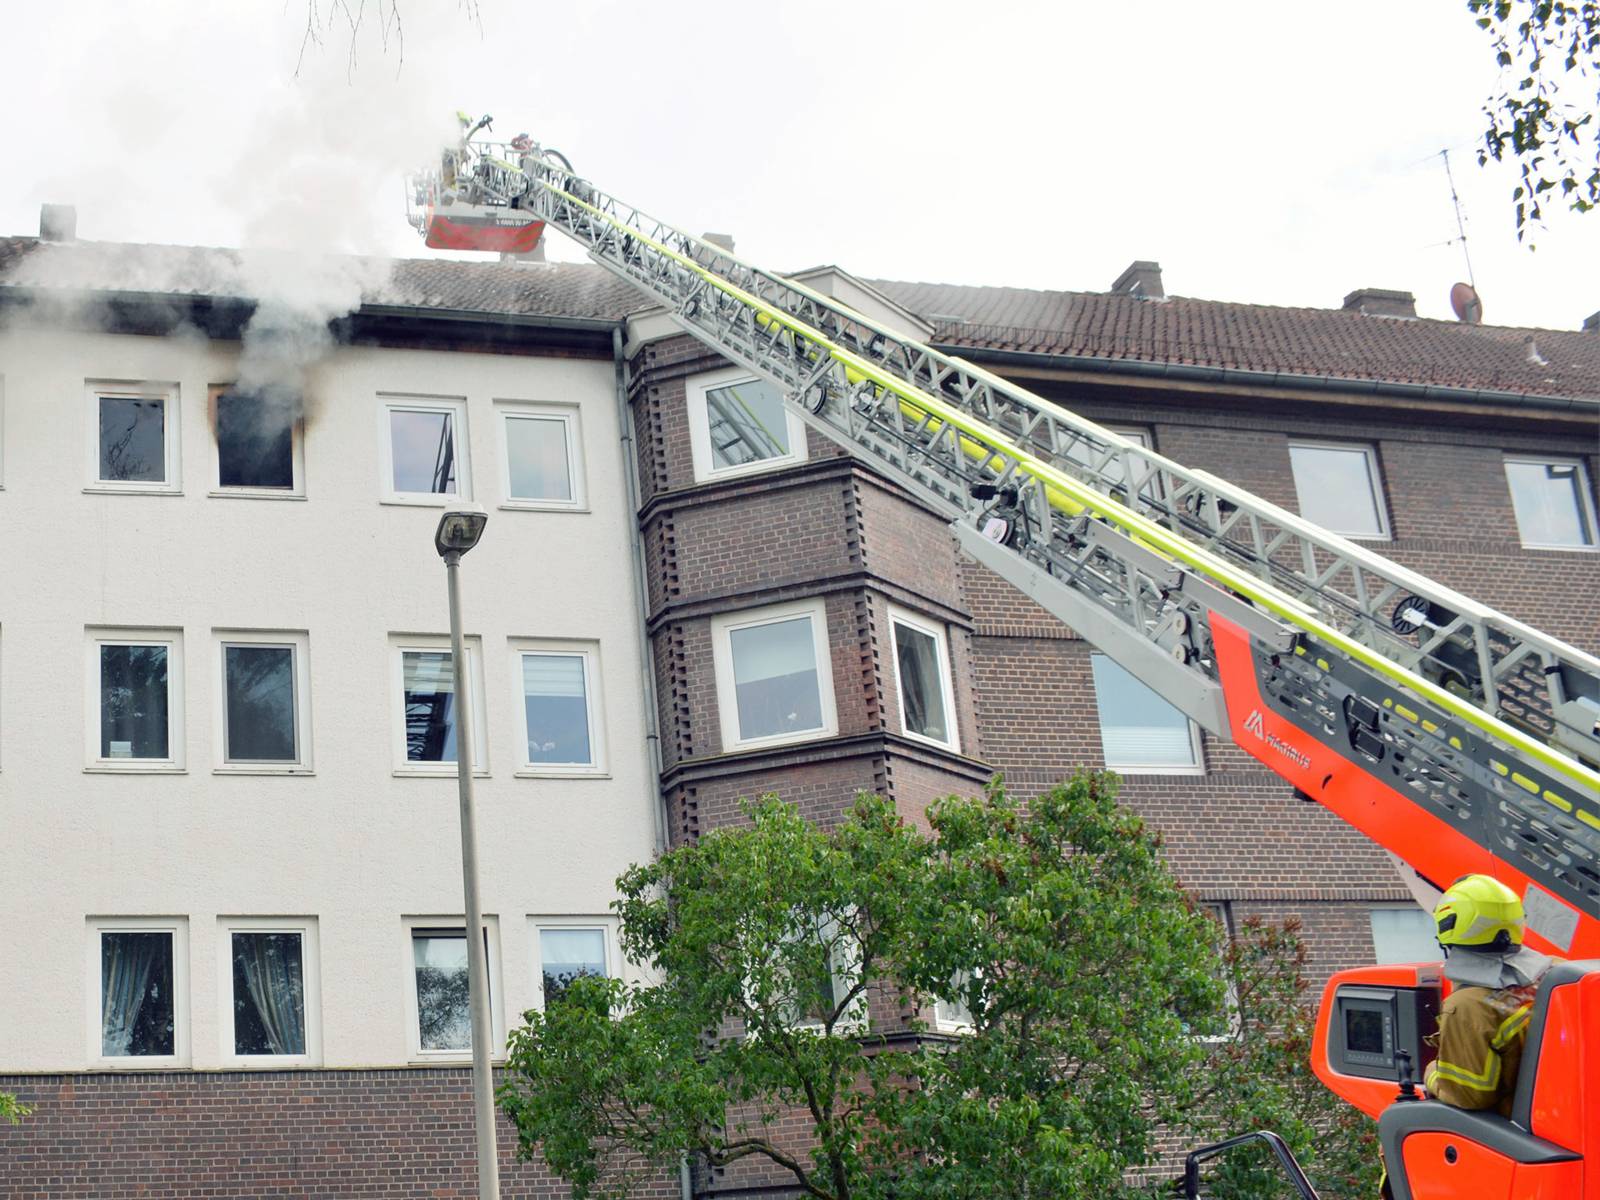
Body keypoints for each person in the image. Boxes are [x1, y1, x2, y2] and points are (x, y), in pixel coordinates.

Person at [1422, 873, 1555, 1115]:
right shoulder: (1559, 972)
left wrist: (1431, 1073)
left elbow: (1470, 1095)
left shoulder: (1467, 1006)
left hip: (1528, 1126)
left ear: (1447, 926)